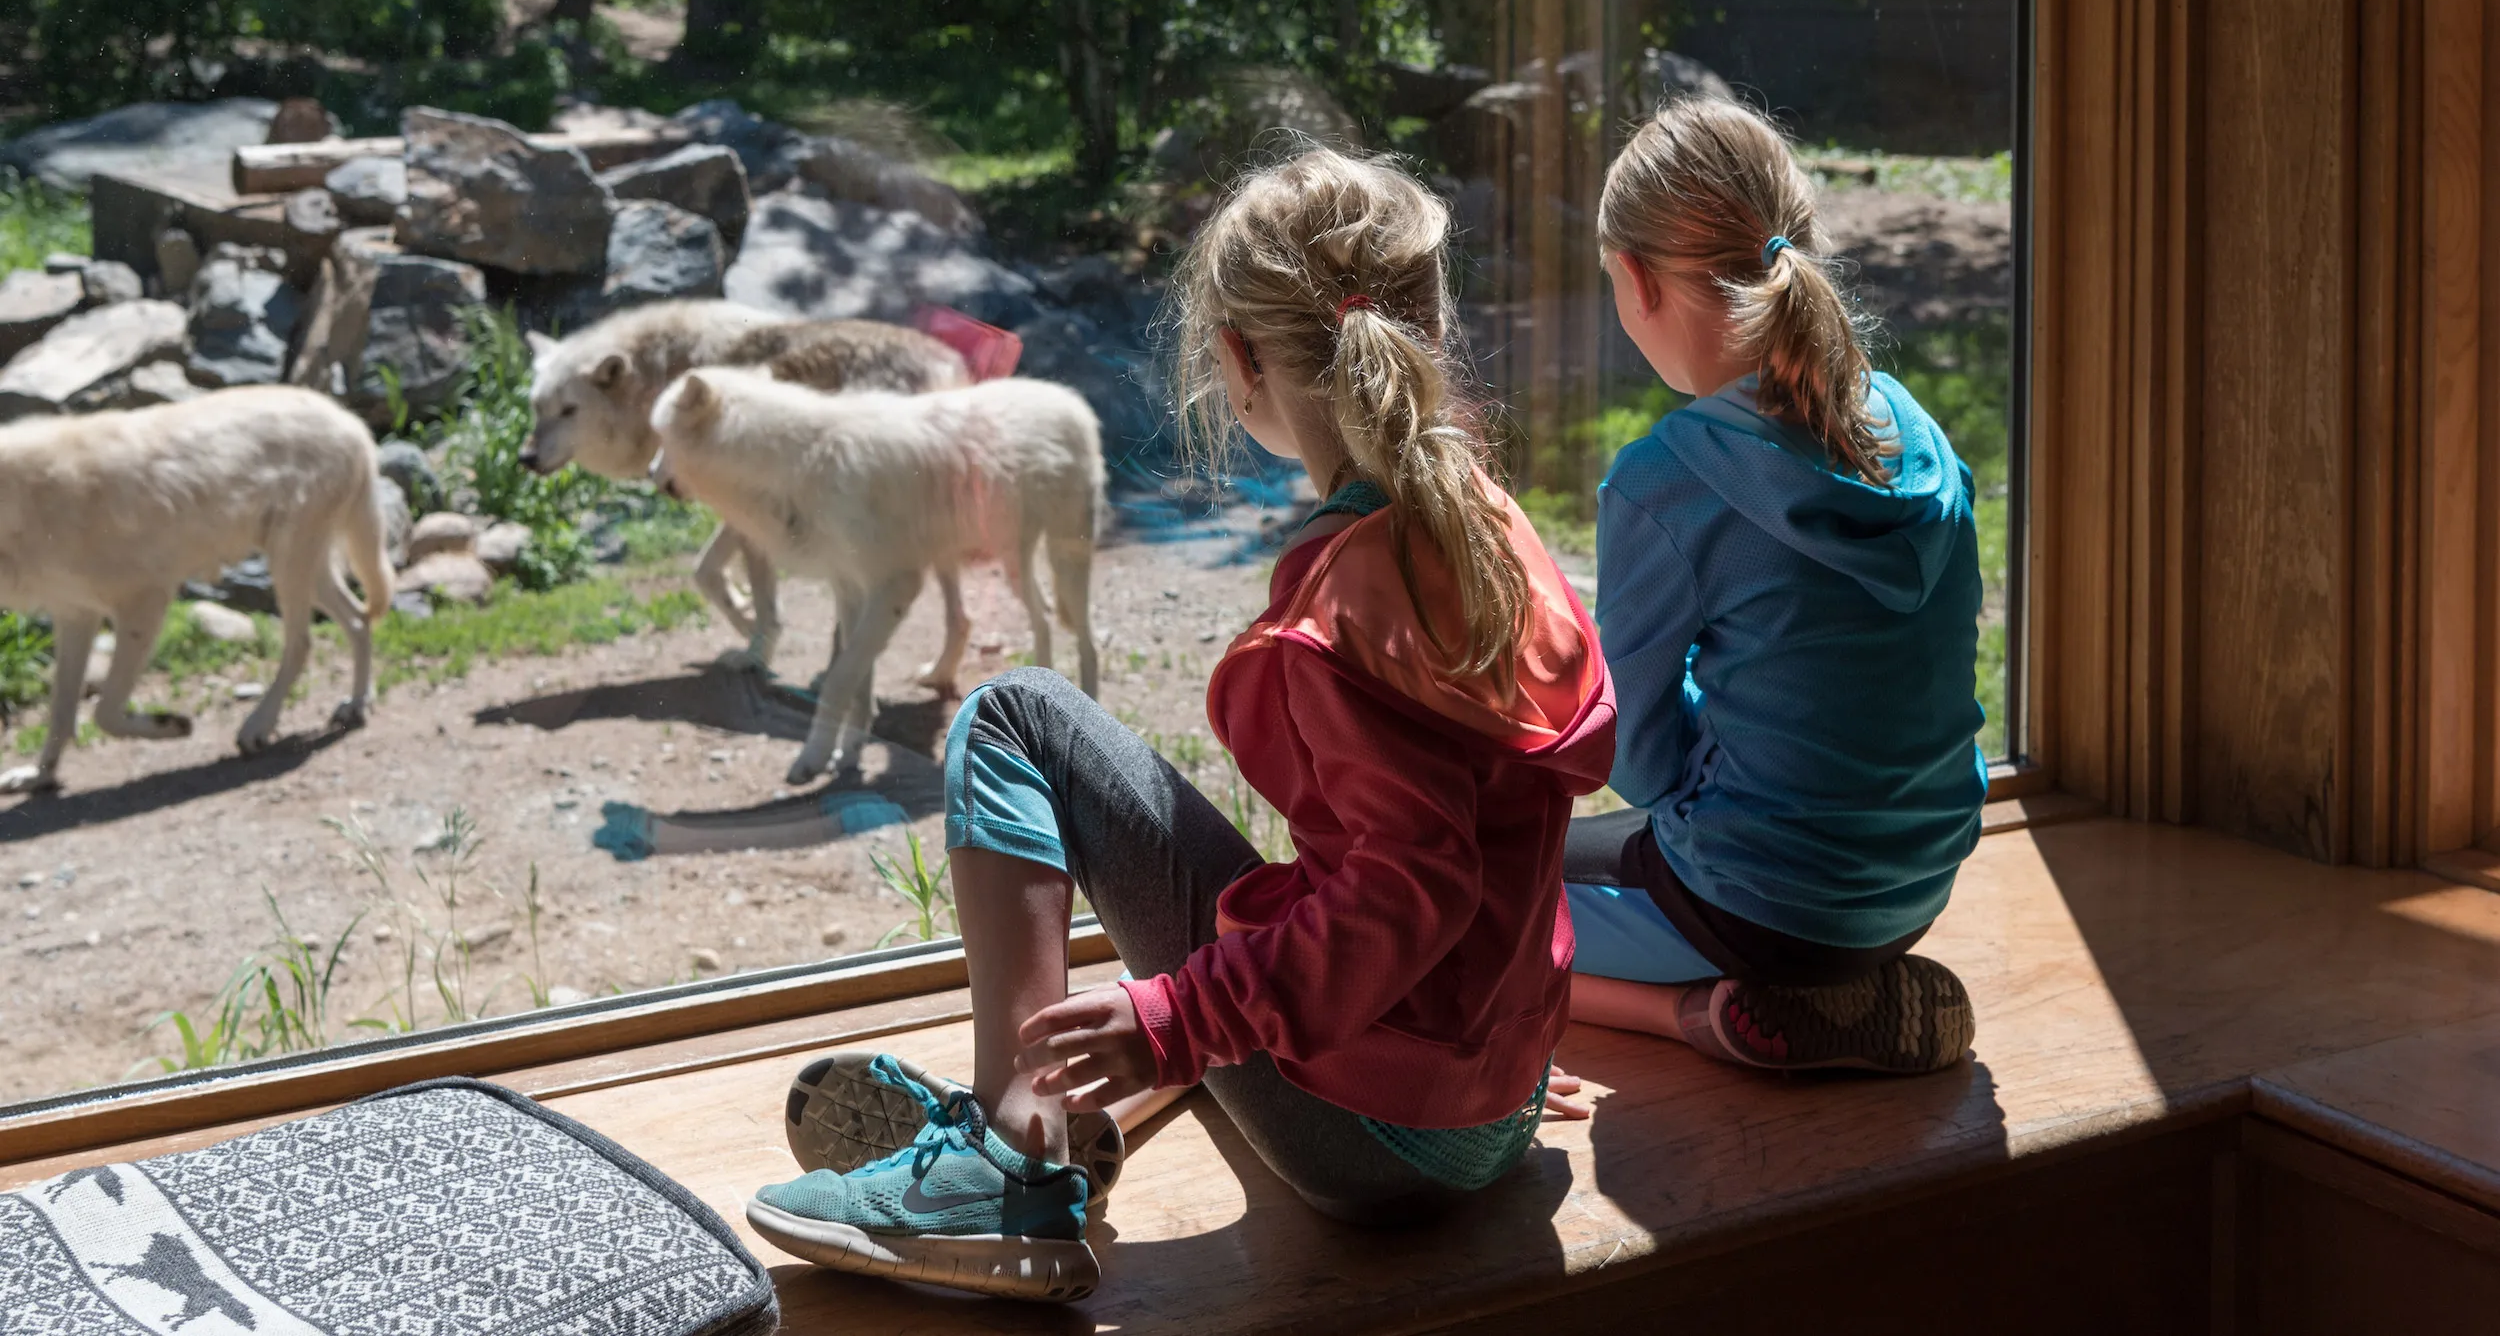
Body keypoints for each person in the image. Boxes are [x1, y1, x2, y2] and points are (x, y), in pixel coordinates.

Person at [744, 149, 1616, 1301]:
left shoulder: (1351, 593)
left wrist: (1178, 1014)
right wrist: (1486, 1041)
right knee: (1242, 949)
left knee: (1014, 714)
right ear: (1431, 324)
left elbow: (1413, 890)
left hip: (1379, 1143)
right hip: (1481, 1091)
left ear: (1239, 363)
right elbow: (1489, 843)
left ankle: (1010, 1155)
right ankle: (1078, 1100)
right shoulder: (1488, 526)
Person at [1563, 95, 1985, 1075]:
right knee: (1573, 851)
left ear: (1635, 280)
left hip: (1755, 907)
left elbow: (1640, 760)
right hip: (1917, 882)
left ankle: (1701, 1011)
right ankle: (1842, 989)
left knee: (1465, 911)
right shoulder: (1915, 432)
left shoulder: (1666, 480)